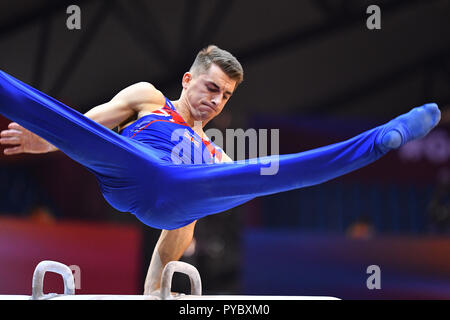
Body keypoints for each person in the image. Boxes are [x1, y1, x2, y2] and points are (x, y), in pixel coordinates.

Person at [0, 45, 441, 295]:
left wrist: (155, 290)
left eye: (226, 95)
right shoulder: (148, 97)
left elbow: (183, 227)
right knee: (61, 118)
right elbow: (89, 125)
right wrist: (47, 140)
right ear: (189, 80)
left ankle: (380, 139)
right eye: (211, 87)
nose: (216, 100)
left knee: (264, 172)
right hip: (128, 168)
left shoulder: (213, 154)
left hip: (175, 197)